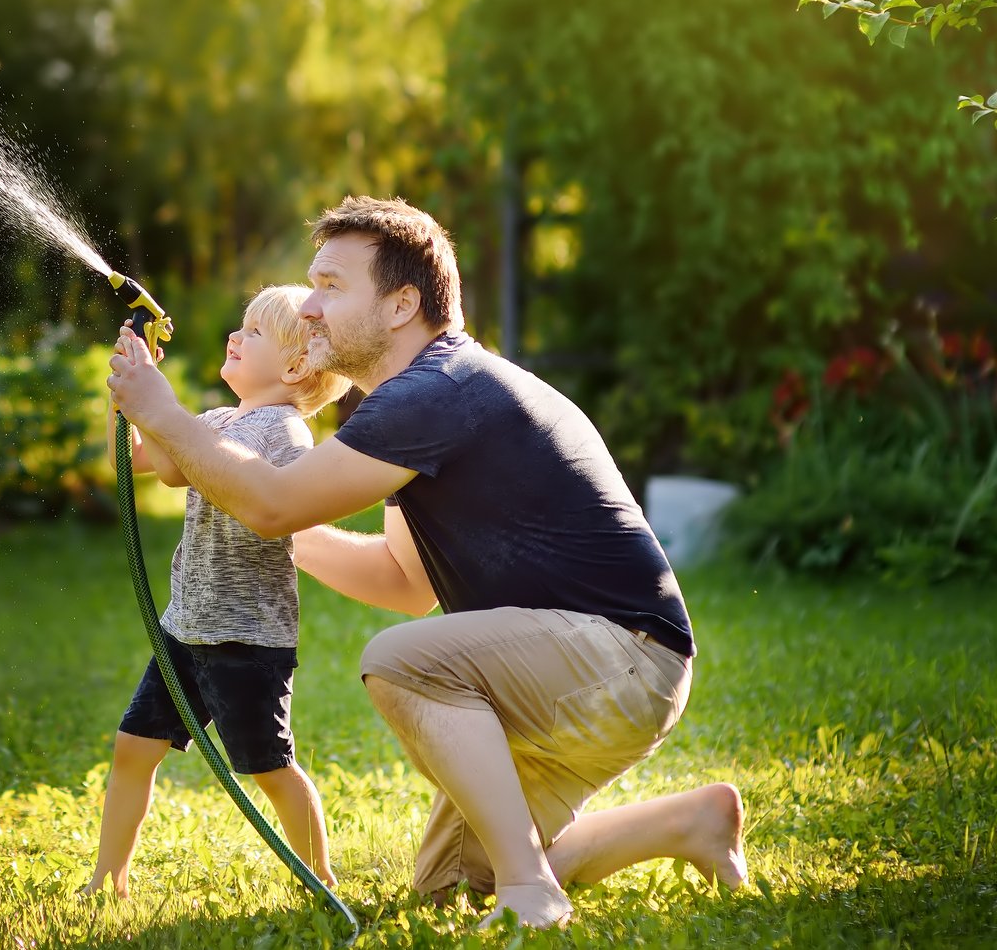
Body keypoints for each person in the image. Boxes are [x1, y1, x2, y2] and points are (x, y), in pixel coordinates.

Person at [104, 197, 746, 929]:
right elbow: (402, 583)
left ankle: (530, 892)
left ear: (401, 303)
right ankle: (687, 823)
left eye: (331, 287)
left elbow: (274, 504)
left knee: (400, 660)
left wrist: (165, 416)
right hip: (584, 671)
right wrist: (273, 530)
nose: (308, 307)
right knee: (447, 885)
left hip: (619, 658)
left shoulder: (433, 391)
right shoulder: (411, 403)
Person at [84, 285, 354, 898]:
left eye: (253, 333)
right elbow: (139, 459)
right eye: (241, 327)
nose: (235, 337)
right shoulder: (211, 422)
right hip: (185, 627)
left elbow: (259, 492)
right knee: (133, 747)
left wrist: (166, 412)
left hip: (247, 639)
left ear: (293, 368)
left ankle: (320, 876)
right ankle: (109, 877)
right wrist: (128, 393)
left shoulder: (284, 433)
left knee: (269, 767)